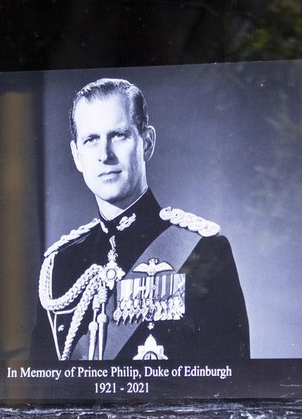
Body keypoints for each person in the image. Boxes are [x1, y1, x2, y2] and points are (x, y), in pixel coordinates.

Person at [32, 78, 249, 361]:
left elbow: (229, 385)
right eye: (91, 139)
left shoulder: (201, 249)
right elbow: (43, 392)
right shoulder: (59, 266)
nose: (104, 155)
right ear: (76, 156)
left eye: (118, 135)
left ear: (146, 143)